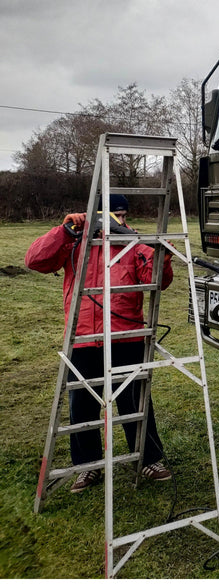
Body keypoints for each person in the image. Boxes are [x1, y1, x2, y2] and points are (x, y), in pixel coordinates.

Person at [25, 194, 174, 493]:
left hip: (126, 334)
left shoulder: (133, 243)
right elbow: (35, 261)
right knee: (81, 403)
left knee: (135, 399)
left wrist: (161, 252)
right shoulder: (75, 242)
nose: (116, 220)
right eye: (110, 214)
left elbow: (159, 280)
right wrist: (65, 231)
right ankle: (88, 466)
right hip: (82, 335)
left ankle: (148, 458)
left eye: (121, 214)